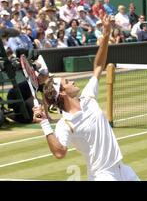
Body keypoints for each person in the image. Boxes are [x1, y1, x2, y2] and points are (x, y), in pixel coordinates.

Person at [33, 16, 140, 181]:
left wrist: (106, 34)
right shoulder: (66, 124)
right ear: (61, 92)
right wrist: (45, 124)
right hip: (103, 176)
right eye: (68, 82)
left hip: (122, 169)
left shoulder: (88, 97)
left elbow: (98, 66)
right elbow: (60, 152)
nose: (73, 80)